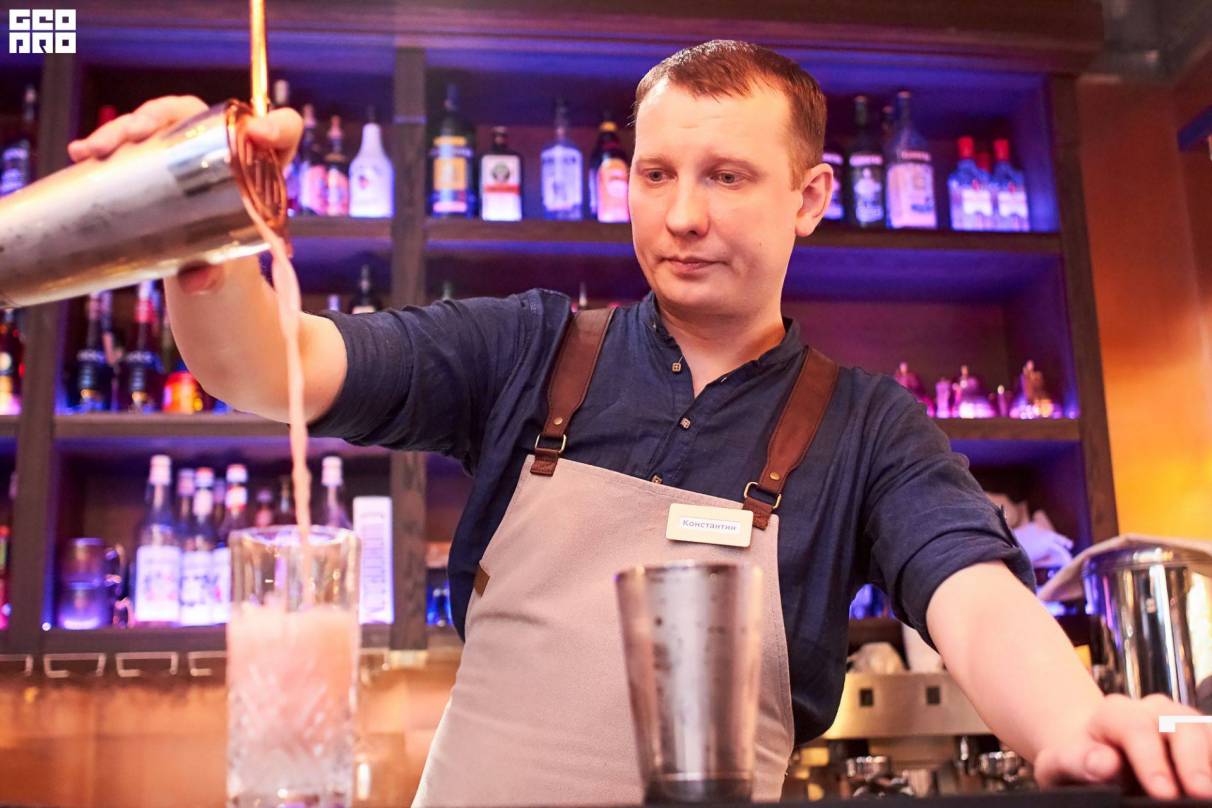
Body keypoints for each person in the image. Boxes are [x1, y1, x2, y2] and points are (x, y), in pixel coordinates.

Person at [69, 39, 1212, 803]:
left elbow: (976, 597)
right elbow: (274, 368)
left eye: (727, 177)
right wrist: (201, 226)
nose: (681, 216)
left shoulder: (870, 428)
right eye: (655, 174)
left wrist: (1078, 726)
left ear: (811, 198)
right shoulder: (528, 348)